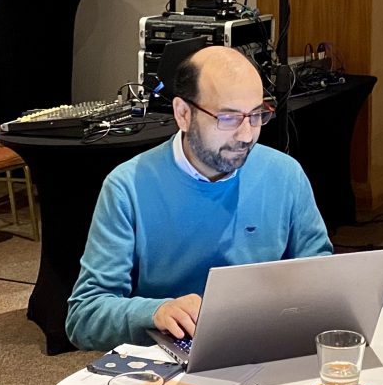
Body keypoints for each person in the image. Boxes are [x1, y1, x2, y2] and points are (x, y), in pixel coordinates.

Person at [67, 46, 333, 351]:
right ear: (183, 114)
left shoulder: (284, 174)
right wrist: (155, 312)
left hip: (263, 346)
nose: (246, 135)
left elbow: (322, 282)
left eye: (256, 115)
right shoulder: (128, 187)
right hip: (168, 360)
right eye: (228, 118)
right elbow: (84, 316)